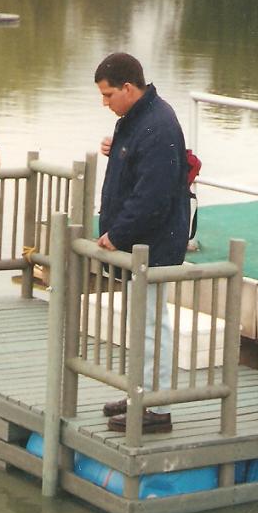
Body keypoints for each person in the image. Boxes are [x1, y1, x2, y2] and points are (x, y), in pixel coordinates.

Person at [94, 53, 190, 434]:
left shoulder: (158, 125)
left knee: (152, 325)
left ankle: (157, 407)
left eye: (108, 95)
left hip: (155, 244)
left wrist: (116, 235)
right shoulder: (135, 120)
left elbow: (152, 197)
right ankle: (142, 393)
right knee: (143, 323)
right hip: (142, 244)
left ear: (129, 89)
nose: (105, 103)